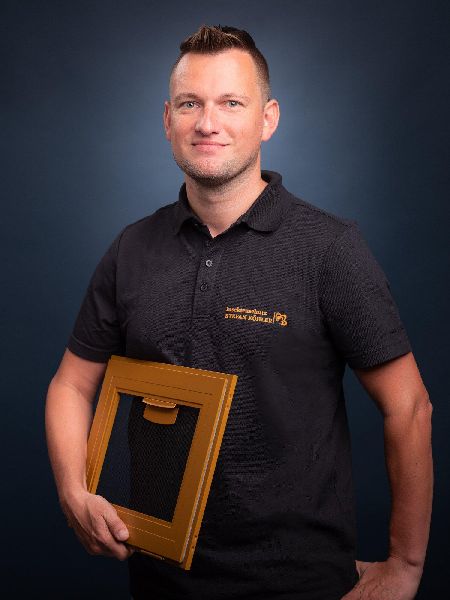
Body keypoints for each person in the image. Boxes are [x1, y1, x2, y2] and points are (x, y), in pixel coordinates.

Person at [45, 25, 433, 600]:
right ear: (167, 120)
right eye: (190, 104)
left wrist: (406, 561)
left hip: (299, 585)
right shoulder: (131, 249)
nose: (208, 122)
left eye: (231, 102)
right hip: (157, 579)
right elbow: (71, 386)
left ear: (267, 119)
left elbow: (409, 406)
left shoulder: (329, 248)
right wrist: (73, 493)